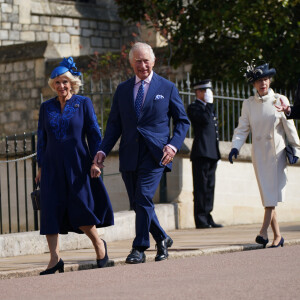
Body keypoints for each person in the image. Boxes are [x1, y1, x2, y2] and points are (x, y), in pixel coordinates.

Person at [94, 42, 190, 264]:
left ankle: (139, 247)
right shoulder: (123, 90)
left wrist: (173, 145)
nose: (142, 65)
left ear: (153, 61)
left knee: (143, 196)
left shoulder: (166, 88)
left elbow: (182, 121)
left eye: (146, 60)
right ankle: (162, 237)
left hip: (156, 153)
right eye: (138, 61)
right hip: (129, 153)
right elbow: (113, 126)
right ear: (131, 63)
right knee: (138, 203)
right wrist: (102, 150)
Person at [36, 57, 114, 275]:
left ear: (72, 83)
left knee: (80, 207)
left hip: (78, 164)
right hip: (51, 166)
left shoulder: (83, 103)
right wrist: (40, 167)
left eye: (65, 82)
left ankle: (99, 244)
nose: (61, 86)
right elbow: (41, 139)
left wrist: (96, 161)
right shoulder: (46, 107)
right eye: (57, 83)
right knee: (50, 210)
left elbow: (94, 134)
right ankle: (54, 259)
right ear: (53, 85)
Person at [228, 62, 300, 248]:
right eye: (259, 81)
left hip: (276, 154)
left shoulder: (279, 99)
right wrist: (236, 147)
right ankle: (278, 236)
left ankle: (262, 232)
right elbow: (242, 129)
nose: (263, 83)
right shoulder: (248, 104)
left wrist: (297, 148)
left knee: (271, 195)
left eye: (266, 79)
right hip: (259, 156)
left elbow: (290, 128)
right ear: (253, 84)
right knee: (268, 196)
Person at [187, 80, 223, 229]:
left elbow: (213, 131)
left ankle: (208, 216)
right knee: (201, 187)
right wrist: (209, 104)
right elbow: (204, 121)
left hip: (212, 153)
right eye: (205, 91)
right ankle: (200, 218)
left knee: (210, 187)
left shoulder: (208, 108)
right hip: (201, 152)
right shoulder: (193, 107)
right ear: (198, 92)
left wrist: (217, 152)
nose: (208, 93)